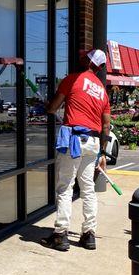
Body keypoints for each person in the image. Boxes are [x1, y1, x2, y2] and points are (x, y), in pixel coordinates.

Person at [41, 49, 111, 251]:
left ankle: (60, 234)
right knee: (88, 188)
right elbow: (106, 126)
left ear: (89, 62)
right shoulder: (102, 91)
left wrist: (49, 105)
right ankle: (89, 235)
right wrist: (102, 154)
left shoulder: (72, 79)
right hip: (93, 143)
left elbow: (53, 108)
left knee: (65, 187)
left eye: (85, 57)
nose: (81, 58)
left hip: (73, 141)